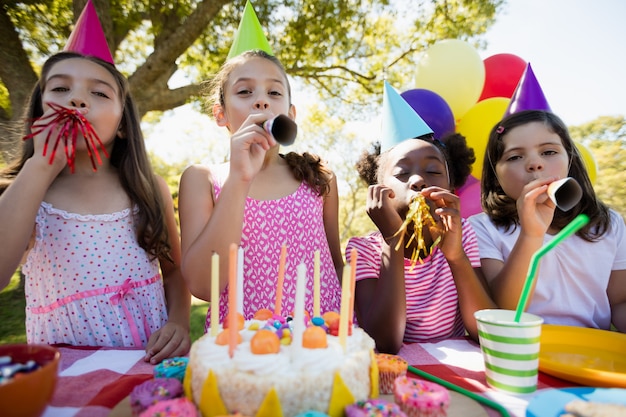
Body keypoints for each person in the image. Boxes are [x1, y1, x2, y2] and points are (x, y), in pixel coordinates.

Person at [0, 51, 191, 363]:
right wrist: (41, 166)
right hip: (68, 371)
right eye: (61, 89)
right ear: (39, 113)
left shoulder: (148, 190)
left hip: (148, 362)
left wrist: (179, 322)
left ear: (123, 126)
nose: (77, 99)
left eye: (99, 92)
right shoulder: (23, 193)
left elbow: (174, 272)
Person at [178, 50, 343, 329]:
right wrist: (239, 179)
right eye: (244, 91)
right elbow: (203, 286)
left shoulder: (320, 178)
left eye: (275, 93)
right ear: (221, 114)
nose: (262, 100)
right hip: (241, 350)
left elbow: (336, 267)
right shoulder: (202, 179)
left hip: (322, 343)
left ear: (290, 114)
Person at [469, 110, 626, 333]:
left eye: (549, 152)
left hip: (593, 352)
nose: (535, 164)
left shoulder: (608, 223)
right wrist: (531, 234)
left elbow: (619, 302)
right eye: (515, 157)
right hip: (525, 350)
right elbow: (505, 309)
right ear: (496, 175)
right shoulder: (482, 228)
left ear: (569, 158)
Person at [347, 133, 496, 354]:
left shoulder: (462, 234)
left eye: (433, 171)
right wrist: (393, 239)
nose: (417, 180)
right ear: (379, 192)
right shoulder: (363, 250)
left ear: (450, 188)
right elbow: (384, 342)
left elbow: (486, 332)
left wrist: (456, 256)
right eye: (402, 173)